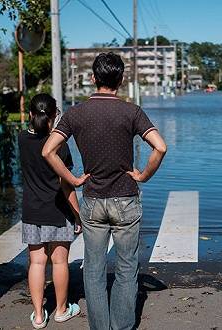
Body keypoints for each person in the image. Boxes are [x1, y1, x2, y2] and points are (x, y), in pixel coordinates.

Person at [42, 52, 167, 330]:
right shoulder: (132, 112)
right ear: (120, 80)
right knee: (126, 268)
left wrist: (73, 180)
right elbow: (160, 146)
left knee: (94, 270)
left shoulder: (75, 113)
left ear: (92, 78)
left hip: (93, 200)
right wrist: (143, 175)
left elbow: (48, 151)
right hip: (125, 199)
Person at [19, 93, 82, 329]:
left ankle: (38, 315)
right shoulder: (60, 147)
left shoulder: (22, 139)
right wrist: (78, 214)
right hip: (58, 211)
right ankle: (62, 310)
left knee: (36, 262)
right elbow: (66, 186)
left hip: (32, 210)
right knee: (59, 262)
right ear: (55, 115)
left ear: (31, 115)